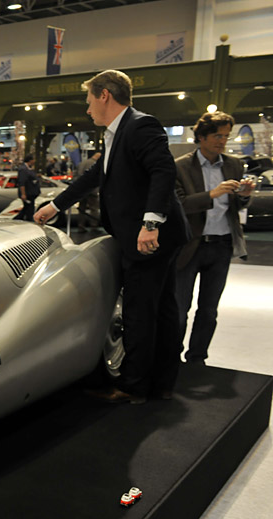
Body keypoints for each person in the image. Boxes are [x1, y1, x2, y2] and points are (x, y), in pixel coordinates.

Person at [33, 69, 188, 404]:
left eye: (90, 101)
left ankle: (133, 387)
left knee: (139, 311)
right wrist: (57, 204)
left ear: (104, 95)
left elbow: (163, 170)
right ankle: (161, 383)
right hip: (154, 234)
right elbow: (94, 176)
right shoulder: (118, 132)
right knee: (160, 308)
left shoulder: (139, 125)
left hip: (149, 236)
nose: (88, 109)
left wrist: (150, 224)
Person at [173, 110, 253, 365]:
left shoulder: (234, 165)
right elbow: (179, 204)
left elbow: (236, 206)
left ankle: (197, 359)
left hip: (221, 245)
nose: (222, 141)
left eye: (226, 136)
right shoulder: (181, 166)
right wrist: (212, 194)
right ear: (201, 137)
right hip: (189, 246)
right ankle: (170, 357)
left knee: (208, 310)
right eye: (217, 135)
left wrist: (244, 195)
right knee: (179, 310)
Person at [15, 154, 40, 221]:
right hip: (28, 192)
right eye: (33, 159)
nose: (34, 161)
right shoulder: (23, 169)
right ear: (30, 160)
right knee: (29, 208)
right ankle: (21, 219)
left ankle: (19, 219)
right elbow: (22, 182)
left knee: (27, 208)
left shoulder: (29, 168)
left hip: (31, 192)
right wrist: (23, 194)